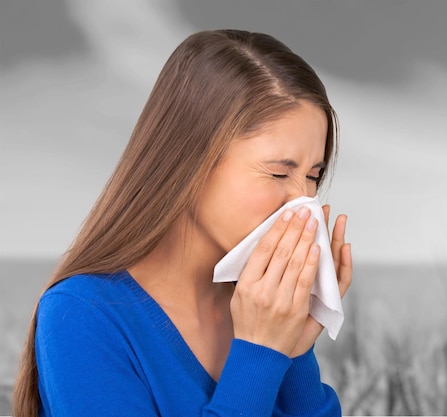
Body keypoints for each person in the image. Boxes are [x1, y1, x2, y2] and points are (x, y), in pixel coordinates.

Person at [12, 29, 352, 417]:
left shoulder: (264, 310)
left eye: (313, 176)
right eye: (278, 174)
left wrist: (294, 351)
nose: (303, 201)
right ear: (190, 165)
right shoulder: (83, 316)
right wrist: (260, 354)